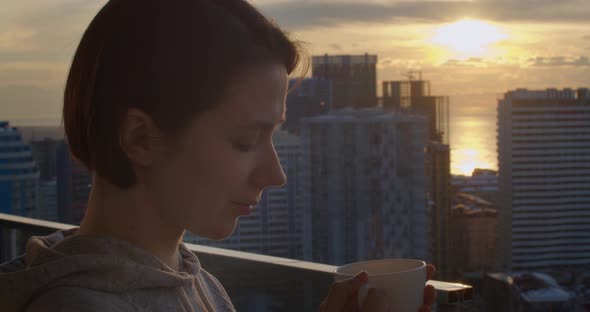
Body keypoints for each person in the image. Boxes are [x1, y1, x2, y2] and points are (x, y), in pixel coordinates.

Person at [0, 0, 436, 311]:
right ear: (141, 138)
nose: (275, 174)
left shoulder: (192, 279)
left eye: (274, 138)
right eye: (246, 140)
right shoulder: (80, 304)